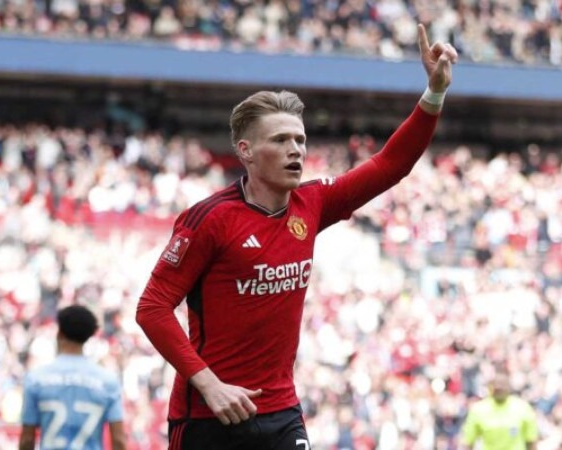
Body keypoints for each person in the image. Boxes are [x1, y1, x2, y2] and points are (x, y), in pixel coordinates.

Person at [135, 23, 457, 449]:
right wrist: (210, 385)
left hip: (281, 412)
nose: (297, 150)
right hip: (208, 415)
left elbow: (389, 165)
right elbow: (152, 308)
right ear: (246, 151)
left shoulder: (313, 203)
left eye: (300, 140)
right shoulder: (210, 219)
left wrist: (433, 94)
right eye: (282, 139)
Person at [19, 305, 127, 450]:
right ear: (89, 337)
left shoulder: (36, 379)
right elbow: (119, 440)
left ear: (59, 333)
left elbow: (27, 439)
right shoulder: (108, 382)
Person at [460, 371, 538, 450]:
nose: (499, 387)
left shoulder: (522, 408)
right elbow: (467, 442)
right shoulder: (478, 410)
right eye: (496, 385)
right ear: (490, 387)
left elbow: (531, 441)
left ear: (509, 387)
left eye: (503, 384)